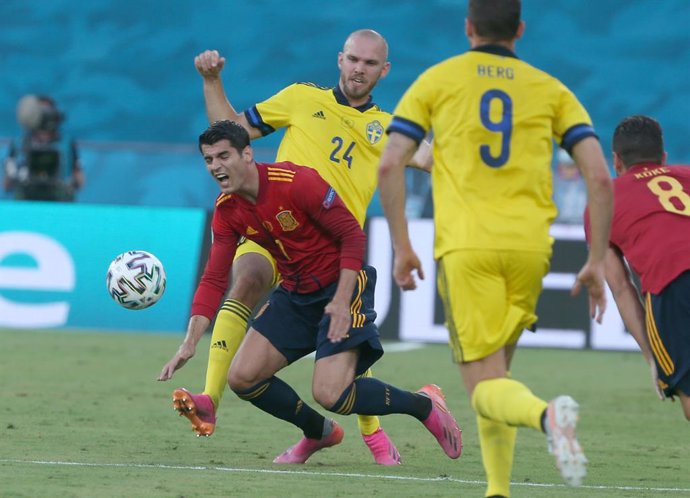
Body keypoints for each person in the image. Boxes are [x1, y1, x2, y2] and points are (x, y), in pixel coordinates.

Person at [158, 29, 431, 465]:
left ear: (384, 71)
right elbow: (230, 135)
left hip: (329, 249)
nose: (359, 69)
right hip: (271, 225)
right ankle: (210, 396)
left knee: (343, 345)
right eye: (353, 59)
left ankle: (372, 430)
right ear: (340, 60)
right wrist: (212, 82)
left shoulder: (388, 129)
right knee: (245, 277)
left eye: (370, 63)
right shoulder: (302, 97)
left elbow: (435, 161)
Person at [377, 0, 613, 496]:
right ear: (520, 30)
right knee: (497, 375)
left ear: (468, 28)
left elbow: (389, 164)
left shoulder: (438, 79)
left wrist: (401, 244)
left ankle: (547, 416)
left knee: (483, 388)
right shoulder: (550, 89)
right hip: (530, 248)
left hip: (468, 247)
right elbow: (598, 176)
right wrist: (595, 259)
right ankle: (498, 490)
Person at [184, 120, 461, 465]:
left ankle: (423, 404)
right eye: (209, 159)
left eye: (223, 156)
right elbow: (212, 279)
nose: (216, 166)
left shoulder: (297, 182)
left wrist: (342, 301)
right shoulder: (227, 210)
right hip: (295, 293)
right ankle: (319, 432)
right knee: (242, 378)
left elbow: (352, 237)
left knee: (331, 394)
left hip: (343, 286)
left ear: (247, 153)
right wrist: (190, 340)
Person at [585, 115, 690, 420]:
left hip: (673, 284)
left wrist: (651, 357)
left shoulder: (602, 203)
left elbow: (620, 286)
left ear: (616, 161)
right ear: (664, 157)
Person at [3, 94, 84, 201]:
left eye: (48, 111)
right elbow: (6, 185)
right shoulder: (19, 144)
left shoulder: (66, 143)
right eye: (40, 112)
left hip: (59, 199)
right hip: (26, 199)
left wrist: (69, 183)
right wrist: (14, 175)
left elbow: (80, 179)